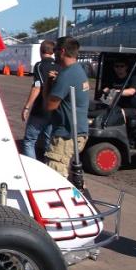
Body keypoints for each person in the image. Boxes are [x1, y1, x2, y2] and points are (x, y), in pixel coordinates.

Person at [43, 36, 90, 179]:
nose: (53, 54)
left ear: (62, 51)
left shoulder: (66, 74)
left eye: (55, 50)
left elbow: (49, 105)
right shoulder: (78, 70)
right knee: (71, 175)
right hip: (78, 132)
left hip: (66, 135)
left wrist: (47, 84)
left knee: (54, 175)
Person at [21, 40, 57, 159]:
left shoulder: (39, 65)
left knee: (29, 140)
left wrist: (26, 107)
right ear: (52, 52)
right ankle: (49, 166)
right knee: (48, 141)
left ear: (41, 51)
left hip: (40, 108)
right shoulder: (59, 65)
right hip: (55, 108)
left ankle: (32, 166)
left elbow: (37, 87)